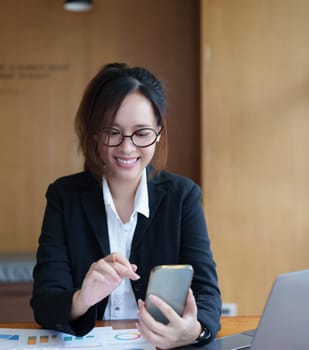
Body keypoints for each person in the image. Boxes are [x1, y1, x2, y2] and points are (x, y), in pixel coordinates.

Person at [30, 63, 221, 348]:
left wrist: (193, 331)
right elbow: (45, 304)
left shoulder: (182, 196)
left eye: (142, 133)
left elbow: (207, 295)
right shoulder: (64, 196)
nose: (127, 148)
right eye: (113, 132)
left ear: (158, 131)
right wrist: (83, 297)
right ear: (94, 133)